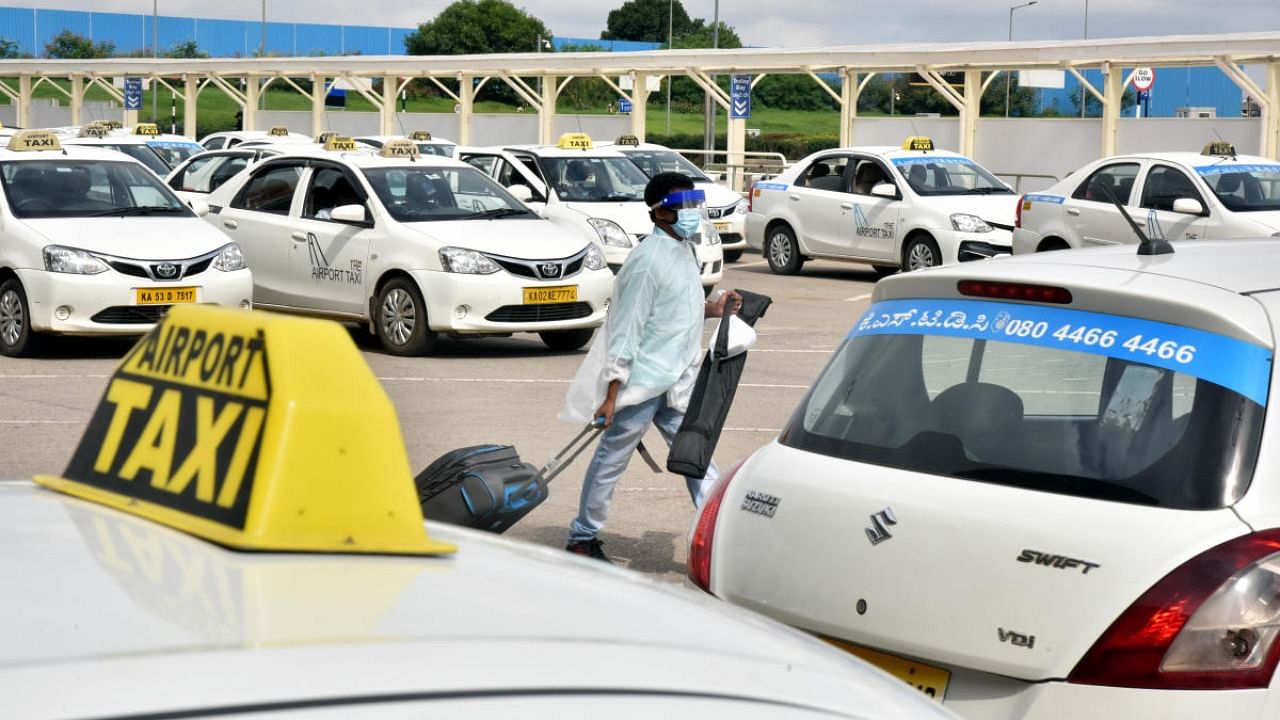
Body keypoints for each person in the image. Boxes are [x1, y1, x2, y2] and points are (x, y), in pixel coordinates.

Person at [560, 172, 740, 563]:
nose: (694, 213)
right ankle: (582, 537)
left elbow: (678, 309)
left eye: (696, 204)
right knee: (611, 460)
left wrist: (714, 309)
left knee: (696, 457)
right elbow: (625, 331)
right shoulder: (646, 262)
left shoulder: (684, 251)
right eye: (684, 207)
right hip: (640, 385)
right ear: (660, 214)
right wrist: (612, 394)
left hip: (676, 381)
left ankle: (719, 535)